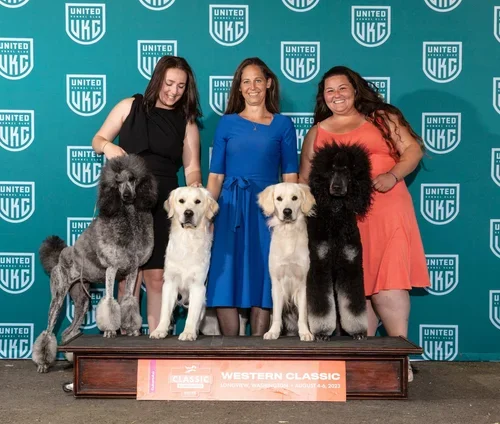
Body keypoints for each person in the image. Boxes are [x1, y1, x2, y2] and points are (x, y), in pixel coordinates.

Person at [299, 65, 430, 381]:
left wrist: (392, 175)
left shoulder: (382, 117)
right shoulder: (317, 131)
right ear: (323, 97)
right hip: (343, 219)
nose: (336, 95)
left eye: (342, 88)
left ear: (355, 89)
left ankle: (400, 357)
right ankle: (369, 355)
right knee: (357, 283)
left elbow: (412, 150)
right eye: (329, 90)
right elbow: (305, 179)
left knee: (389, 282)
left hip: (387, 209)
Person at [91, 56, 203, 332]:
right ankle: (118, 338)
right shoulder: (130, 106)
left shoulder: (186, 121)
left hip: (163, 199)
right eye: (169, 83)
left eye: (180, 86)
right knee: (124, 275)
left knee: (157, 276)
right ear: (158, 80)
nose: (174, 91)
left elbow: (191, 168)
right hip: (126, 198)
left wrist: (196, 186)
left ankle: (156, 339)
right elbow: (97, 139)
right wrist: (108, 147)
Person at [206, 57, 299, 336]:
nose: (252, 86)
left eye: (258, 80)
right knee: (225, 275)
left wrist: (289, 220)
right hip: (230, 207)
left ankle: (260, 350)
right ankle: (230, 350)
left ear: (269, 83)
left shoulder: (284, 125)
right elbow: (215, 176)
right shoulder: (226, 123)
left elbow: (291, 178)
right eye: (246, 81)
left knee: (265, 275)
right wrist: (207, 215)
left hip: (269, 212)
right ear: (239, 87)